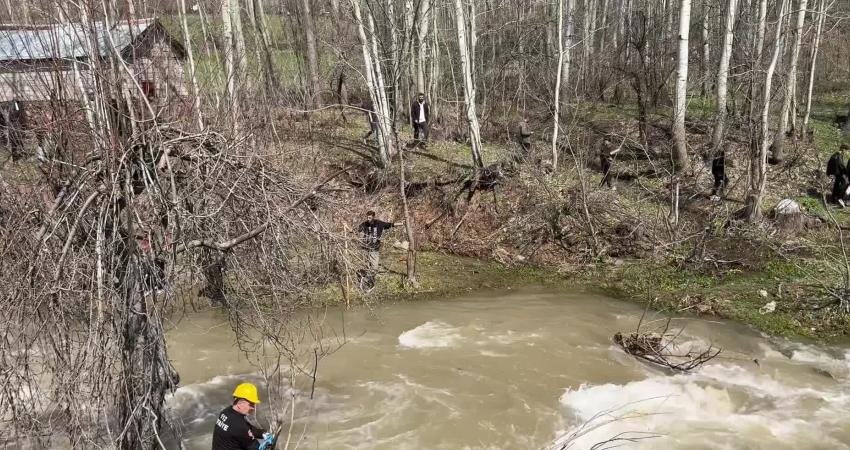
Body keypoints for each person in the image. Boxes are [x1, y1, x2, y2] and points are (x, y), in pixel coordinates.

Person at [212, 382, 272, 450]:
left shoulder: (225, 412)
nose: (253, 408)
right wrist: (266, 446)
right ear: (240, 403)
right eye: (251, 404)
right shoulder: (239, 426)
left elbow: (247, 428)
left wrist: (262, 433)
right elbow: (255, 448)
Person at [357, 210, 398, 289]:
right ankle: (363, 282)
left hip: (375, 249)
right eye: (367, 217)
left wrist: (401, 223)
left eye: (370, 217)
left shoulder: (379, 223)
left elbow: (390, 224)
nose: (368, 219)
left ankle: (369, 281)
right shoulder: (364, 224)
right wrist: (347, 226)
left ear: (373, 217)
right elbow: (357, 229)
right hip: (365, 248)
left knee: (374, 267)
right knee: (364, 266)